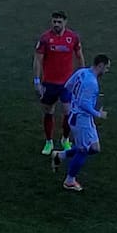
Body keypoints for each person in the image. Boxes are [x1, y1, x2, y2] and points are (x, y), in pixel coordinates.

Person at [51, 55, 112, 191]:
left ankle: (60, 155)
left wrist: (76, 100)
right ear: (100, 65)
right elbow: (84, 104)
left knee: (95, 148)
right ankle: (69, 181)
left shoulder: (82, 72)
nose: (106, 71)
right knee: (83, 150)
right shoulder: (92, 83)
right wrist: (98, 114)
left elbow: (68, 86)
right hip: (81, 119)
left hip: (81, 117)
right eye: (106, 68)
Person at [33, 11, 84, 155]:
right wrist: (37, 81)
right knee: (49, 111)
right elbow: (38, 60)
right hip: (49, 83)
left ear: (65, 23)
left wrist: (82, 77)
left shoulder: (73, 38)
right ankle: (49, 141)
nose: (56, 24)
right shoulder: (45, 39)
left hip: (67, 84)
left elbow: (79, 57)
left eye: (59, 22)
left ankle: (65, 139)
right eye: (54, 21)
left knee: (68, 112)